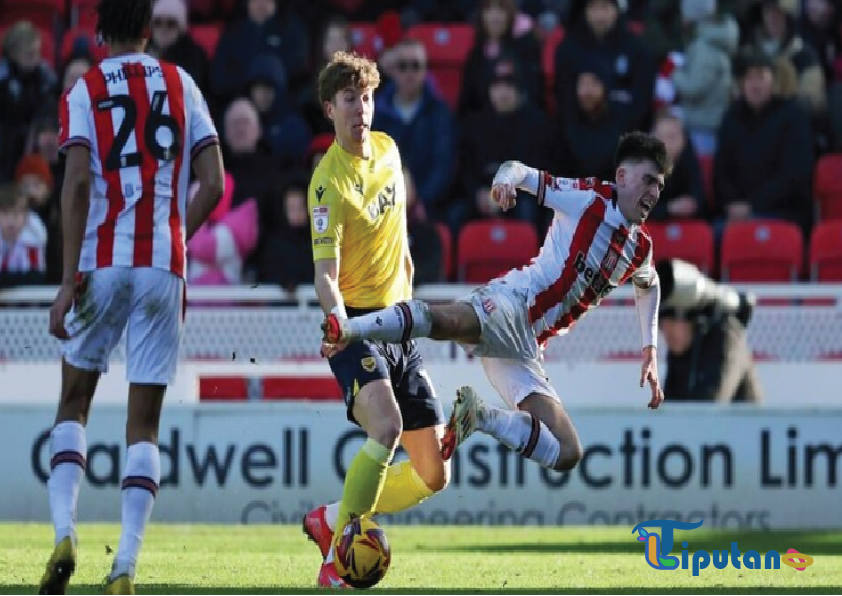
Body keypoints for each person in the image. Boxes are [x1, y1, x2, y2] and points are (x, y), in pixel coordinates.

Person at [323, 132, 669, 473]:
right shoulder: (589, 198)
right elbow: (519, 170)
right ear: (622, 176)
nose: (654, 192)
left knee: (567, 452)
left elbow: (648, 286)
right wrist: (504, 180)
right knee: (448, 323)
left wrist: (649, 349)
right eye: (649, 180)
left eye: (660, 186)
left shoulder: (641, 248)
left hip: (528, 346)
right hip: (515, 302)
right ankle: (350, 329)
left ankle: (480, 416)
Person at [38, 0, 225, 593]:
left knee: (73, 404)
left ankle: (64, 531)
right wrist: (177, 239)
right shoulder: (181, 82)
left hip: (101, 262)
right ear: (150, 30)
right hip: (161, 264)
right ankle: (124, 568)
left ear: (98, 32)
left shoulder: (85, 88)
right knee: (143, 424)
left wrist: (69, 280)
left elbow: (74, 184)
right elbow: (214, 182)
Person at [304, 51, 450, 588]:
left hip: (400, 326)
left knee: (435, 475)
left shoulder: (389, 150)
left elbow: (402, 236)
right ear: (329, 109)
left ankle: (331, 517)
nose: (361, 109)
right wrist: (336, 319)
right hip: (355, 327)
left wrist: (409, 285)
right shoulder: (327, 185)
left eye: (366, 97)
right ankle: (336, 558)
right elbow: (324, 274)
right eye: (350, 99)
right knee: (385, 427)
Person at [657, 259, 762, 403]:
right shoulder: (681, 347)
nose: (666, 330)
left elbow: (710, 408)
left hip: (740, 425)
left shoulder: (727, 336)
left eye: (673, 319)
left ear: (695, 318)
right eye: (661, 324)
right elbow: (670, 407)